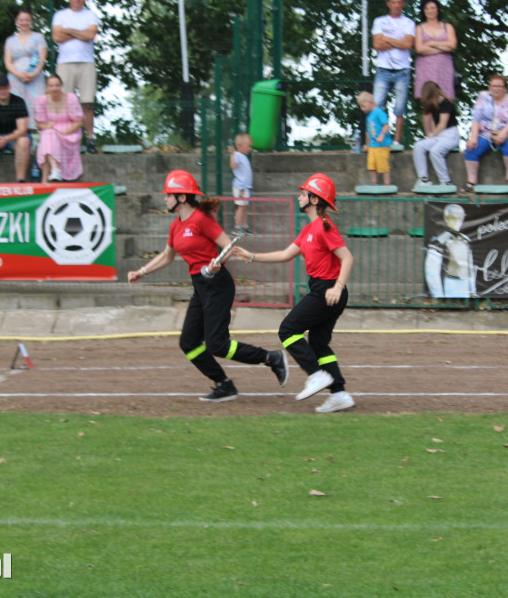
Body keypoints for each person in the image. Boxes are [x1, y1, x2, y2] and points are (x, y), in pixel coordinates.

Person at [127, 170, 290, 402]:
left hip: (217, 284)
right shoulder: (176, 226)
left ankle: (271, 358)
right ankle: (224, 385)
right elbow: (167, 256)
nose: (165, 199)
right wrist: (141, 272)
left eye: (168, 195)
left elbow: (228, 246)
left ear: (182, 197)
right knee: (188, 342)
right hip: (200, 286)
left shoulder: (201, 220)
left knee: (217, 344)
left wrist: (216, 264)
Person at [231, 174, 356, 413]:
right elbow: (286, 254)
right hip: (324, 289)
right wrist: (252, 256)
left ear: (315, 199)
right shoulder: (309, 229)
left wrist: (337, 287)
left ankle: (316, 376)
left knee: (287, 330)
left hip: (327, 289)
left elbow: (347, 257)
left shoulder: (323, 226)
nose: (299, 197)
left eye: (303, 193)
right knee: (319, 344)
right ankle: (339, 394)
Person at [52, 0, 100, 153]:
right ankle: (67, 138)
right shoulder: (60, 15)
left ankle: (90, 138)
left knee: (87, 103)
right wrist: (80, 32)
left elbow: (90, 36)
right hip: (65, 63)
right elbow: (57, 37)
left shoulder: (90, 15)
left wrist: (69, 31)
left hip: (86, 63)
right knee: (65, 103)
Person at [371, 0, 415, 148]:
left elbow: (408, 44)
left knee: (400, 107)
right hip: (383, 69)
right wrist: (399, 41)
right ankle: (375, 139)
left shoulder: (409, 23)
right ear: (388, 4)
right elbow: (377, 45)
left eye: (399, 2)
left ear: (403, 4)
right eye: (393, 2)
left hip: (402, 70)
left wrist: (387, 39)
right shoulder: (379, 21)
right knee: (376, 105)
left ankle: (396, 142)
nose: (396, 5)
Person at [464, 75, 508, 191]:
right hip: (487, 133)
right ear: (490, 87)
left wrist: (503, 133)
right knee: (471, 147)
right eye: (494, 86)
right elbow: (476, 119)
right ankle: (471, 181)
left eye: (500, 86)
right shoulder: (483, 97)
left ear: (505, 88)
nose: (496, 89)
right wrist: (473, 137)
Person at [33, 73, 83, 182]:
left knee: (47, 137)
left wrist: (64, 132)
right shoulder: (42, 100)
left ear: (61, 86)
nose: (54, 88)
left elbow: (79, 122)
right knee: (48, 134)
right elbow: (39, 124)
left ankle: (45, 179)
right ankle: (55, 170)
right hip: (51, 130)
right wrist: (46, 126)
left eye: (56, 85)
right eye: (51, 85)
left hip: (70, 132)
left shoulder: (70, 98)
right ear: (47, 87)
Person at [412, 81, 460, 189]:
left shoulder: (446, 103)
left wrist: (432, 135)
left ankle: (445, 181)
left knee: (435, 151)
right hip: (439, 136)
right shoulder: (434, 104)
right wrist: (431, 137)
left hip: (450, 135)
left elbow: (442, 124)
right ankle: (423, 179)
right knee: (418, 146)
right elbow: (434, 122)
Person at [3, 7, 47, 121]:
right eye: (21, 20)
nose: (24, 22)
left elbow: (42, 58)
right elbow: (8, 62)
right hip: (15, 77)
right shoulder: (10, 40)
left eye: (27, 20)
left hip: (35, 77)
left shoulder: (39, 37)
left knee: (36, 104)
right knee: (15, 104)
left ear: (31, 21)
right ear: (17, 21)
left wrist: (34, 74)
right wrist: (18, 74)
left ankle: (37, 133)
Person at [424, 203, 475, 299]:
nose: (457, 221)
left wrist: (472, 290)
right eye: (452, 218)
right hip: (449, 283)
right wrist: (438, 294)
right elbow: (431, 271)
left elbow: (470, 267)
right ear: (446, 219)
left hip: (465, 285)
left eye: (460, 217)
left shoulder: (465, 240)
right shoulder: (439, 241)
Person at [413, 0, 457, 101]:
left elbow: (452, 45)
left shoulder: (448, 27)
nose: (430, 11)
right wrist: (443, 48)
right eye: (427, 8)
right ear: (423, 11)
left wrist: (432, 43)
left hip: (444, 67)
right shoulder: (419, 28)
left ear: (438, 9)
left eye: (433, 8)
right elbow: (419, 49)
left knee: (445, 100)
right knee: (428, 101)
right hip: (425, 68)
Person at [358, 91, 392, 185]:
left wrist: (381, 136)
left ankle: (387, 184)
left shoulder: (379, 112)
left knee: (383, 166)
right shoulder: (369, 116)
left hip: (382, 145)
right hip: (373, 146)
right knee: (371, 166)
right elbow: (368, 132)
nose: (362, 109)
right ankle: (374, 183)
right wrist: (367, 144)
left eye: (363, 106)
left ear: (370, 103)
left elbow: (386, 125)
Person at [229, 132, 254, 234]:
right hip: (240, 187)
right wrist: (232, 154)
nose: (250, 148)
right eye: (248, 146)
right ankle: (237, 228)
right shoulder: (237, 155)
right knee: (241, 206)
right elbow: (233, 166)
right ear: (240, 145)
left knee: (244, 207)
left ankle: (244, 227)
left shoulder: (243, 156)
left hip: (245, 187)